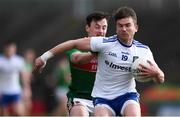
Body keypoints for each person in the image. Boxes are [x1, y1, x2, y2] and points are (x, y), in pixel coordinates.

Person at [33, 6, 165, 116]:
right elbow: (75, 51)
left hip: (127, 95)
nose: (124, 29)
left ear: (136, 27)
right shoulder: (103, 44)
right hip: (94, 99)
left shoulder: (143, 51)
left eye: (127, 25)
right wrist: (44, 57)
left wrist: (157, 73)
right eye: (120, 26)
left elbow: (160, 79)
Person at [66, 11, 109, 116]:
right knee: (80, 113)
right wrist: (93, 54)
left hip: (104, 100)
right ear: (87, 28)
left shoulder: (111, 49)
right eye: (97, 27)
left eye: (104, 28)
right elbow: (77, 59)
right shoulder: (77, 46)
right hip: (79, 99)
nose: (101, 31)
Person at [0, 41, 31, 116]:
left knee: (19, 112)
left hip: (15, 90)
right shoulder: (1, 60)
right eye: (9, 49)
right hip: (2, 91)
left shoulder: (19, 61)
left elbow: (24, 76)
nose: (10, 51)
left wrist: (27, 88)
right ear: (5, 49)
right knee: (4, 113)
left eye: (12, 49)